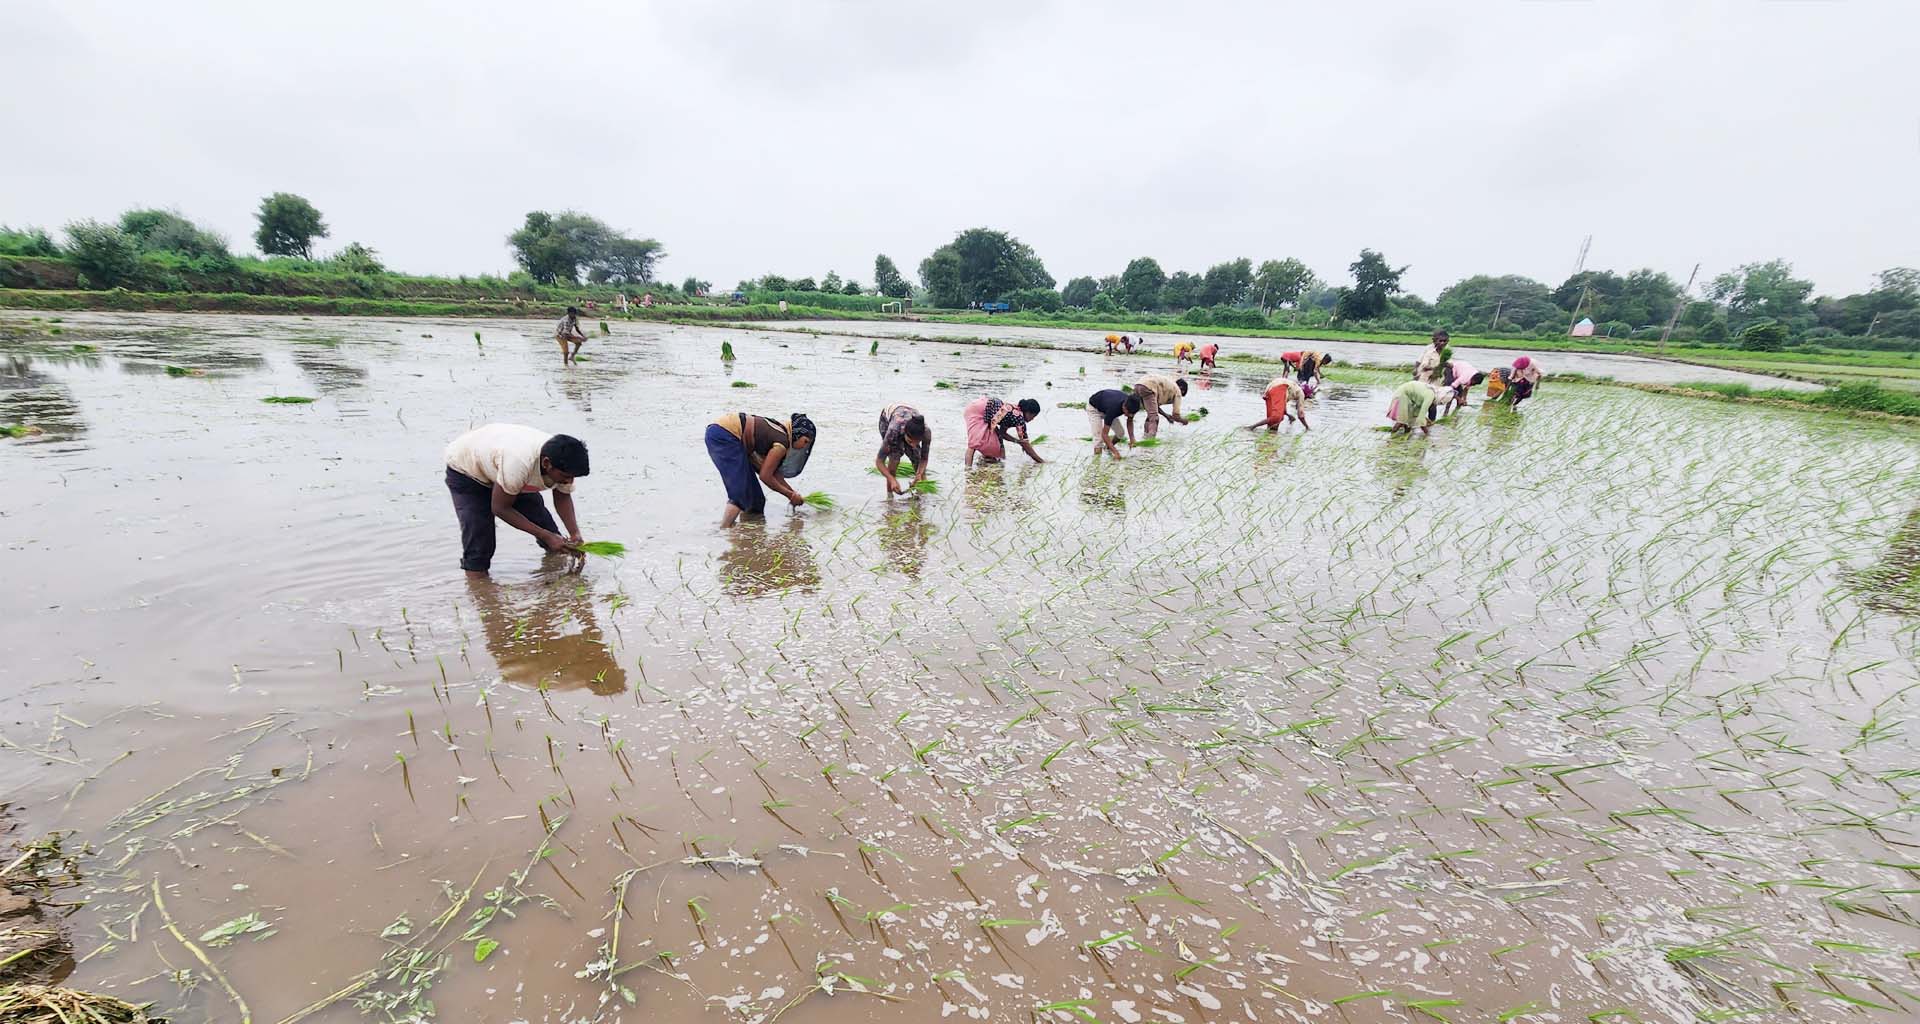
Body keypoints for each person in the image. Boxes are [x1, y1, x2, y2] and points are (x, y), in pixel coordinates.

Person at [443, 424, 588, 573]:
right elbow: (500, 508)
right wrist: (544, 535)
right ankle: (479, 588)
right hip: (467, 469)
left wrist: (574, 533)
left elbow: (562, 496)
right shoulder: (519, 462)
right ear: (546, 464)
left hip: (502, 466)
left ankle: (554, 571)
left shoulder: (563, 460)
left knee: (544, 523)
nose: (569, 481)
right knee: (479, 538)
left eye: (573, 477)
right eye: (566, 476)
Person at [705, 412, 818, 526]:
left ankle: (746, 532)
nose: (804, 446)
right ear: (797, 434)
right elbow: (765, 476)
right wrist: (790, 495)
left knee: (756, 501)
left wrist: (793, 494)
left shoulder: (781, 433)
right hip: (724, 435)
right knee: (740, 495)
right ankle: (724, 530)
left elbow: (774, 473)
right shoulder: (781, 443)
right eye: (805, 441)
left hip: (728, 437)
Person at [963, 396, 1044, 466]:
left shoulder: (1014, 413)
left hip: (985, 411)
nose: (1032, 419)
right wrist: (1041, 461)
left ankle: (987, 462)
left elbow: (1002, 433)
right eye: (1033, 416)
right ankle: (968, 470)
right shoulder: (1019, 419)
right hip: (978, 411)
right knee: (974, 443)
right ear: (1028, 412)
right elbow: (1026, 444)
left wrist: (1017, 441)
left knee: (999, 447)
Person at [875, 404, 932, 494]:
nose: (913, 445)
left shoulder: (926, 432)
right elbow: (879, 462)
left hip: (908, 418)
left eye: (917, 442)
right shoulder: (894, 430)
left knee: (918, 461)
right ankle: (890, 497)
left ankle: (922, 497)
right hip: (888, 418)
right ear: (904, 433)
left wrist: (919, 474)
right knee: (894, 460)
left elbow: (924, 458)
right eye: (910, 442)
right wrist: (892, 479)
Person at [1128, 374, 1189, 439]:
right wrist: (1184, 421)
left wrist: (1166, 416)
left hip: (1138, 385)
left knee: (1150, 416)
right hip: (1148, 386)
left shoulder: (1168, 384)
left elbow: (1155, 406)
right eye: (1182, 394)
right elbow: (1176, 416)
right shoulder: (1177, 391)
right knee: (1154, 418)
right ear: (1181, 389)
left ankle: (1145, 437)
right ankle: (1150, 440)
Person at [1086, 387, 1142, 458]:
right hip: (1094, 409)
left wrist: (1132, 439)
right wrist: (1116, 452)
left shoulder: (1131, 404)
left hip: (1106, 406)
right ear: (1124, 407)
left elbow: (1130, 421)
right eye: (1128, 413)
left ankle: (1107, 448)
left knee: (1120, 433)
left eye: (1133, 414)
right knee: (1098, 440)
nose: (1130, 415)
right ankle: (1097, 462)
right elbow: (1105, 434)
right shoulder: (1113, 408)